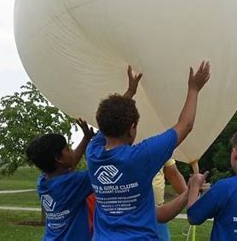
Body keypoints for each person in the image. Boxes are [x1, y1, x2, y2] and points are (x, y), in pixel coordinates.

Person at [86, 61, 211, 240]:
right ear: (132, 127)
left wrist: (130, 92)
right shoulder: (141, 156)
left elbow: (159, 214)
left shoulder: (93, 153)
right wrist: (194, 89)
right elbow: (185, 125)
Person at [26, 118, 95, 241]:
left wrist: (86, 139)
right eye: (68, 149)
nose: (72, 151)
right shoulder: (74, 182)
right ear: (58, 158)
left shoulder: (42, 182)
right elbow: (102, 168)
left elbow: (69, 163)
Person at [152, 158, 187, 241]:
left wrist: (190, 194)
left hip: (158, 213)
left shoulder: (160, 146)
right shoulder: (122, 146)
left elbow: (173, 174)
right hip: (129, 211)